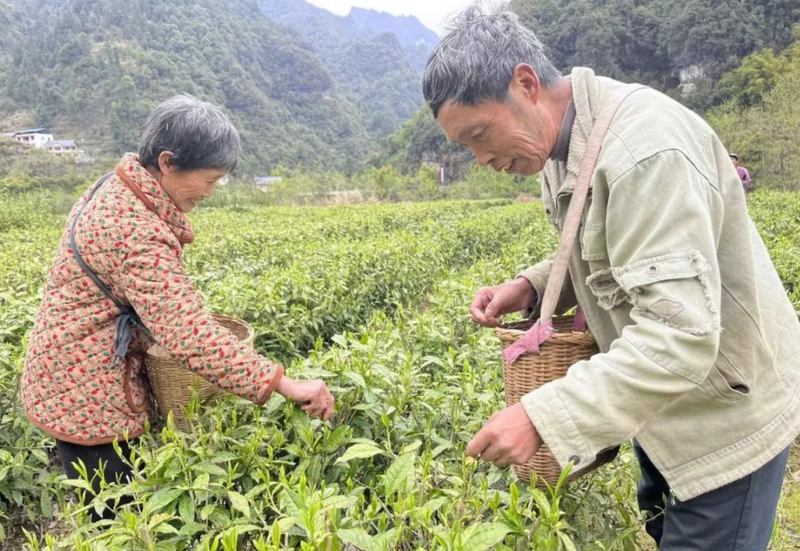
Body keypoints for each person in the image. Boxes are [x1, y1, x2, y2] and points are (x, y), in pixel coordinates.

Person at [422, 5, 800, 550]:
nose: (481, 157)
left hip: (723, 419)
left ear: (525, 83)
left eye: (481, 134)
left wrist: (539, 416)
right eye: (466, 146)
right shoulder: (561, 144)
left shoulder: (643, 153)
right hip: (663, 406)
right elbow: (608, 243)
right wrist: (531, 285)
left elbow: (682, 335)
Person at [22, 95, 334, 519]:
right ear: (167, 162)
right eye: (208, 179)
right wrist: (283, 383)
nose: (211, 191)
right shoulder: (134, 228)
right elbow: (187, 332)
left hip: (69, 370)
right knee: (119, 519)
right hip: (85, 393)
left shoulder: (120, 185)